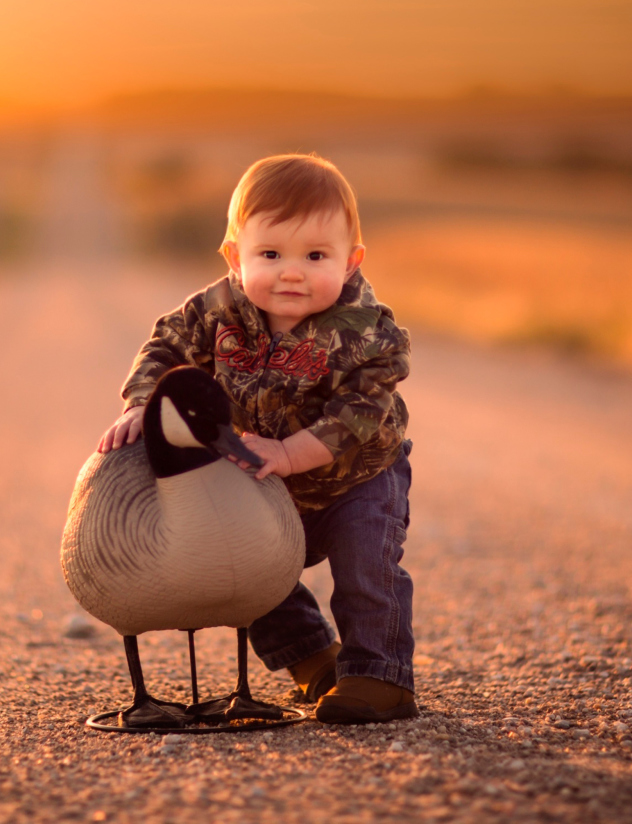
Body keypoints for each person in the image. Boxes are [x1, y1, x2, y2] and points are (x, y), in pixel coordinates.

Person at [98, 153, 416, 724]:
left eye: (316, 256)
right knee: (246, 567)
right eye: (270, 254)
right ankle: (313, 658)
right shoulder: (216, 310)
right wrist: (143, 401)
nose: (291, 272)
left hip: (356, 477)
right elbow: (165, 349)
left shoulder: (365, 328)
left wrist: (294, 453)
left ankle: (379, 674)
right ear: (234, 257)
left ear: (351, 262)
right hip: (263, 471)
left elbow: (363, 409)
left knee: (365, 567)